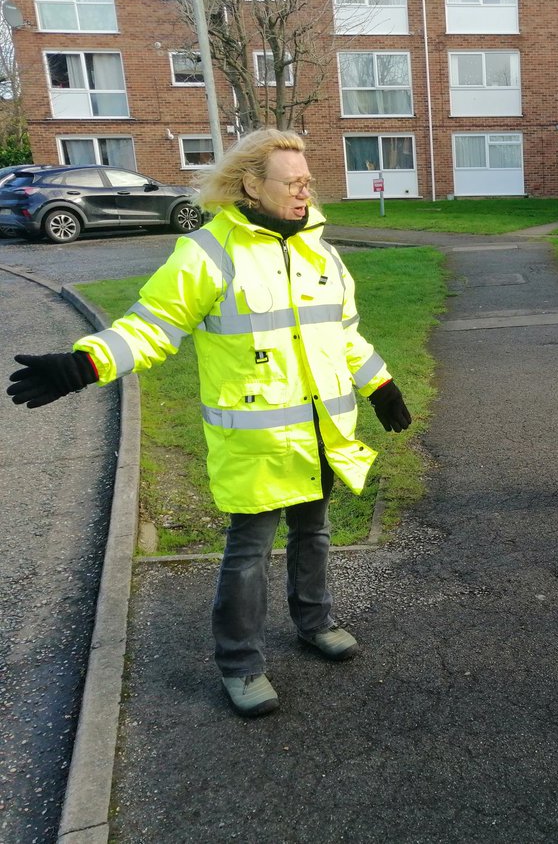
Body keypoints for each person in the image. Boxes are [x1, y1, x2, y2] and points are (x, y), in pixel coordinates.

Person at [7, 128, 413, 718]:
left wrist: (380, 384)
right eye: (292, 182)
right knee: (249, 553)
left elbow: (342, 333)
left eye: (308, 182)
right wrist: (83, 363)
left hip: (323, 431)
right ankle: (241, 664)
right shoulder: (207, 251)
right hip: (255, 442)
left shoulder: (319, 249)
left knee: (314, 532)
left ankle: (315, 622)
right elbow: (154, 325)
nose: (305, 193)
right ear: (250, 184)